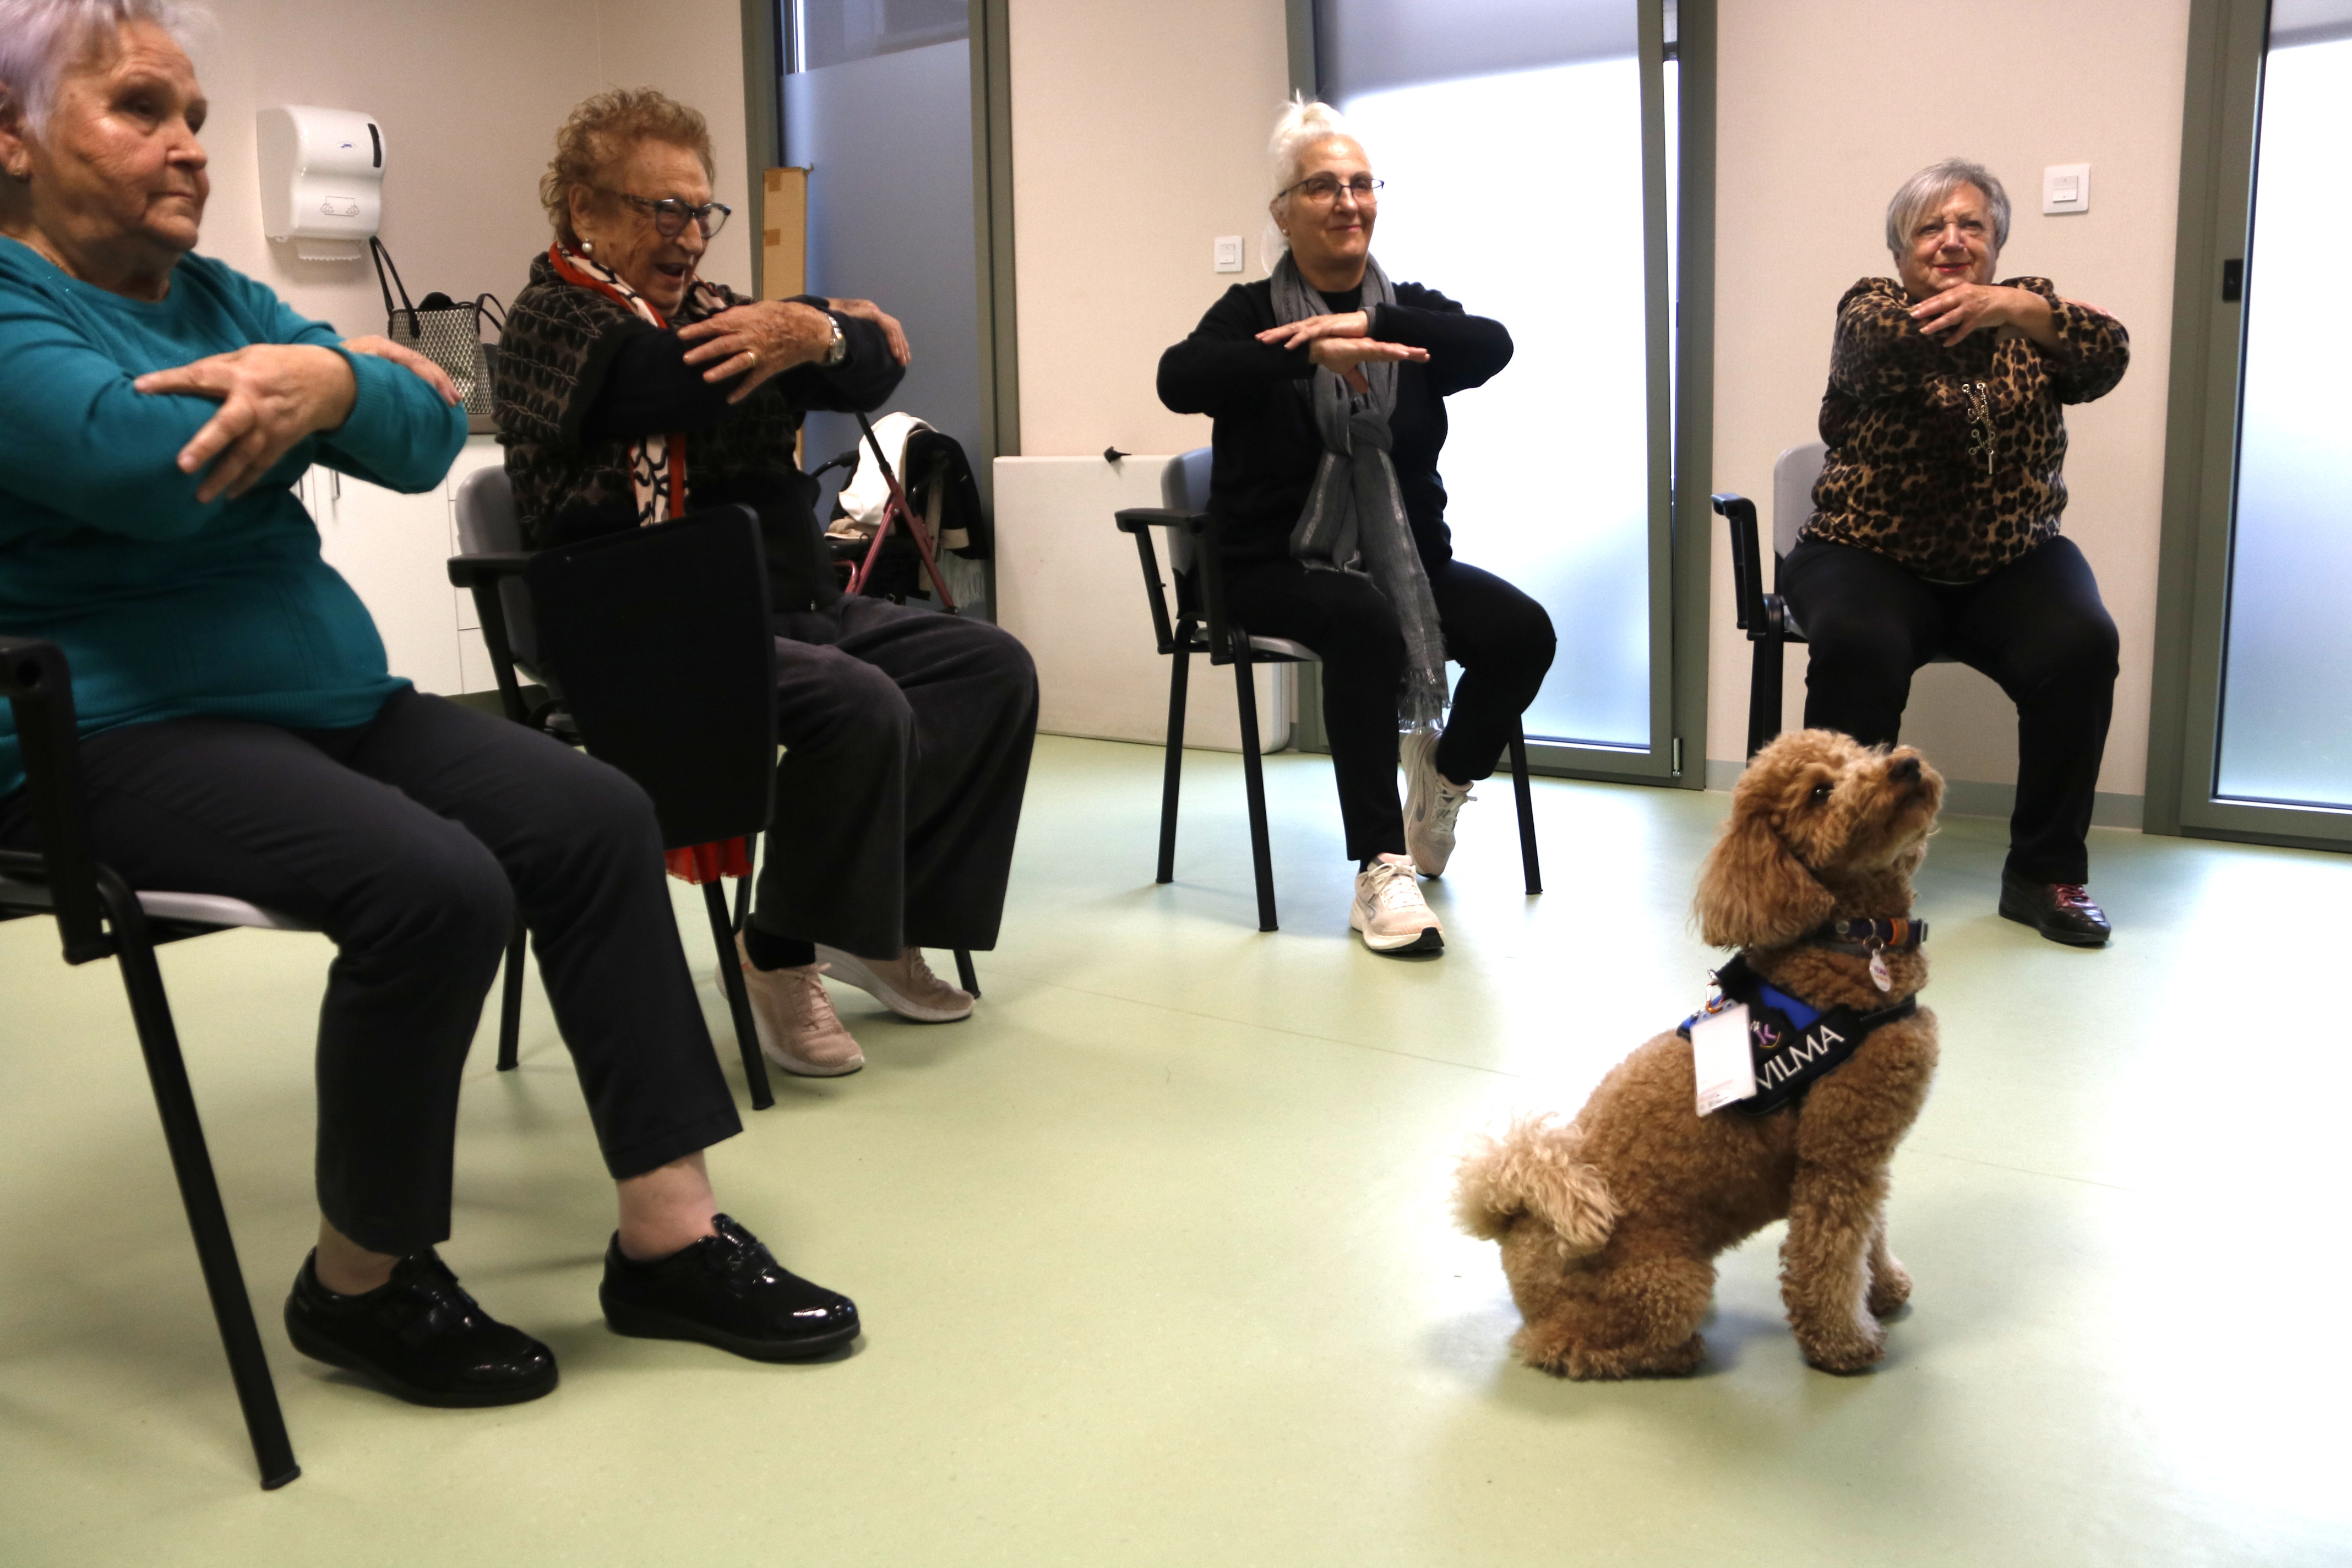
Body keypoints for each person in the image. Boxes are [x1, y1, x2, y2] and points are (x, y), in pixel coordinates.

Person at [0, 0, 860, 1410]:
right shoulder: (9, 303)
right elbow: (140, 462)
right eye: (139, 110)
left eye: (198, 118)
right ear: (13, 137)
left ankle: (670, 1233)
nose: (188, 150)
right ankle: (361, 1282)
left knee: (598, 814)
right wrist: (335, 389)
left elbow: (425, 421)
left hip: (323, 698)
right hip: (105, 728)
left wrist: (330, 374)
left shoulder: (219, 301)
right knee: (437, 886)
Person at [497, 88, 1037, 1074]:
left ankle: (869, 922)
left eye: (701, 211)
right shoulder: (553, 320)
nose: (689, 235)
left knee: (990, 667)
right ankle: (778, 947)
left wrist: (822, 335)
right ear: (584, 209)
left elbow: (870, 374)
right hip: (634, 626)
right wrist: (816, 321)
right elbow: (664, 382)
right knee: (855, 703)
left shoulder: (723, 317)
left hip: (781, 606)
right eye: (662, 209)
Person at [1156, 99, 1554, 957]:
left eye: (1361, 184)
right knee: (1363, 625)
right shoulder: (1252, 312)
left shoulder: (1407, 311)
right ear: (1283, 212)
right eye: (1324, 186)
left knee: (1523, 633)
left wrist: (1370, 325)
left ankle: (1441, 781)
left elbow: (1494, 344)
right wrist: (1304, 349)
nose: (1348, 201)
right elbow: (1177, 378)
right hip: (1271, 565)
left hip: (1406, 562)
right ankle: (1381, 868)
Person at [1782, 159, 2129, 946]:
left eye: (1971, 225)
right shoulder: (1871, 307)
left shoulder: (2028, 313)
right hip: (1867, 550)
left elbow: (2108, 352)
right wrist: (2022, 312)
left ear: (1998, 241)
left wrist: (2020, 309)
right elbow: (1885, 350)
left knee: (2082, 642)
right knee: (1858, 645)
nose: (1951, 241)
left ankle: (2046, 875)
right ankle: (1836, 880)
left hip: (2011, 558)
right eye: (1930, 228)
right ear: (1901, 251)